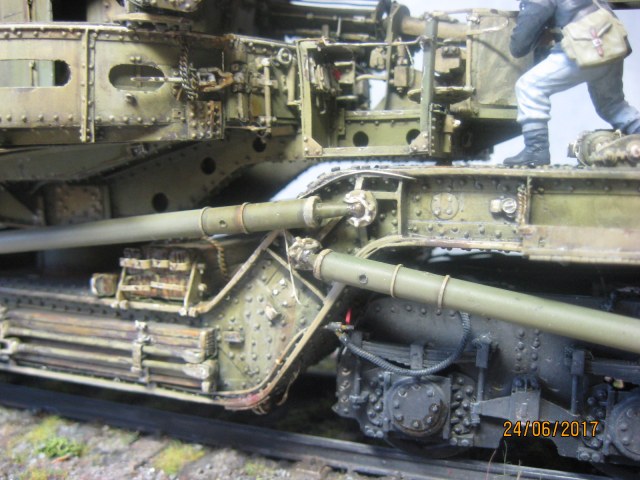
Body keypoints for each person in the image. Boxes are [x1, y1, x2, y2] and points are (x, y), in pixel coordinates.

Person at [504, 0, 640, 167]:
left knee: (529, 86)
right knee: (613, 106)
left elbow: (519, 46)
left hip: (584, 46)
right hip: (610, 42)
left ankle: (535, 150)